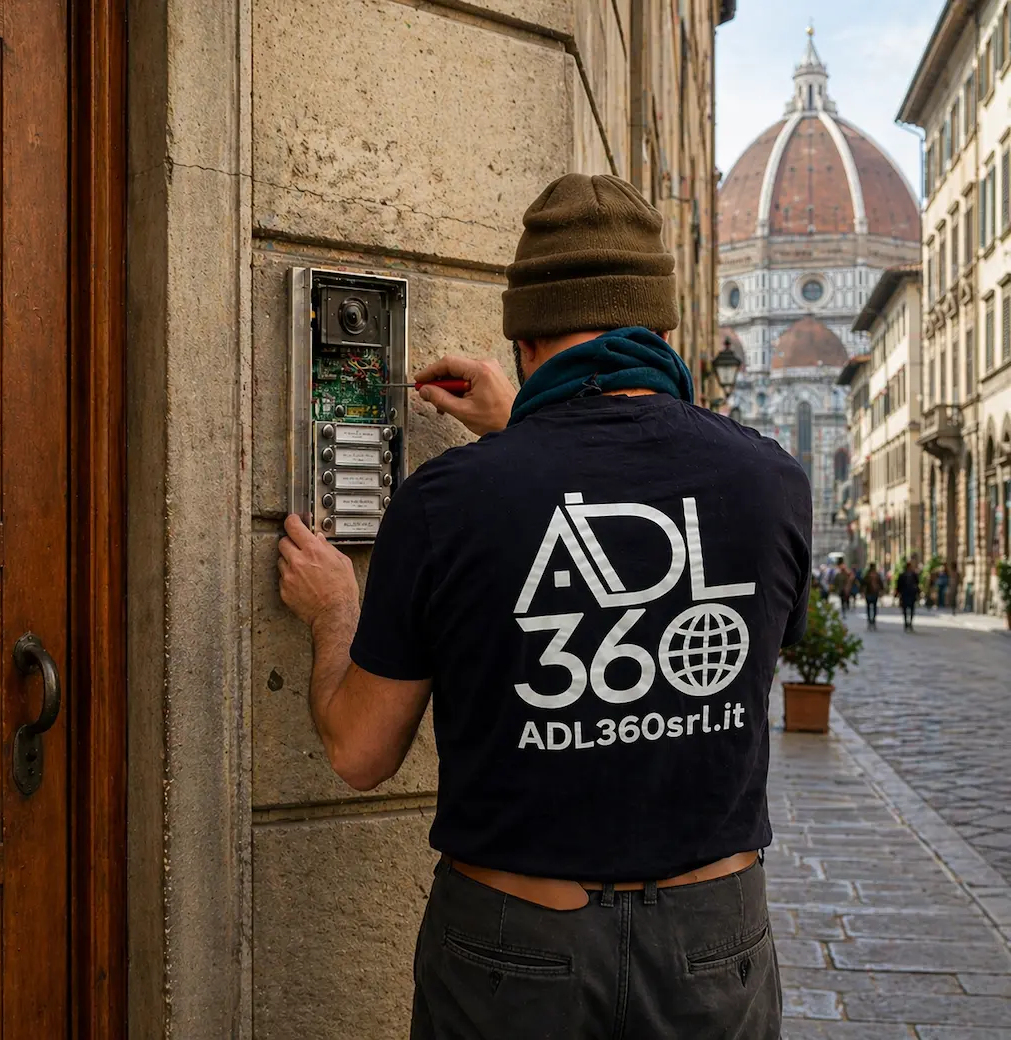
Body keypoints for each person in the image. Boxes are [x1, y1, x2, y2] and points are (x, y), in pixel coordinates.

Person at [277, 174, 811, 1039]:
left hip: (515, 953)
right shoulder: (773, 483)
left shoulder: (446, 502)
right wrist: (528, 432)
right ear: (666, 332)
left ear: (524, 340)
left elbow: (360, 752)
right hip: (714, 946)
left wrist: (336, 609)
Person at [896, 560, 920, 631]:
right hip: (906, 594)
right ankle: (907, 623)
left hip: (910, 594)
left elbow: (917, 584)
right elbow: (899, 585)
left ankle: (909, 623)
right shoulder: (903, 575)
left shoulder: (913, 575)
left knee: (910, 609)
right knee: (906, 609)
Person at [862, 562, 884, 628]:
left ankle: (871, 621)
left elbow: (863, 584)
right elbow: (864, 584)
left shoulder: (869, 575)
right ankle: (871, 621)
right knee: (872, 607)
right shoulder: (872, 575)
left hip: (872, 593)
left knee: (870, 607)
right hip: (871, 593)